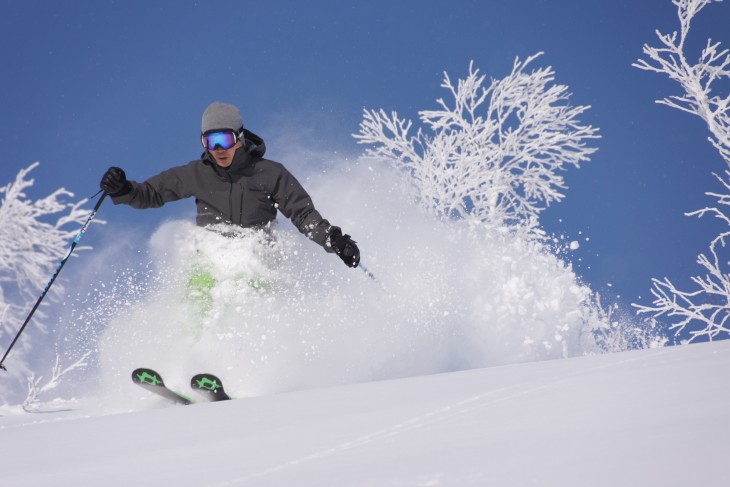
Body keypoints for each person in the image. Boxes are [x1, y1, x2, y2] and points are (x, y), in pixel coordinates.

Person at [99, 102, 360, 268]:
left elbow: (302, 214)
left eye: (225, 139)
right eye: (211, 142)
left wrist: (333, 240)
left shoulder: (268, 173)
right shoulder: (196, 174)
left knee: (251, 278)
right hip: (212, 260)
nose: (219, 150)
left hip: (259, 257)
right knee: (200, 289)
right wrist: (123, 190)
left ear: (240, 138)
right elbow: (151, 194)